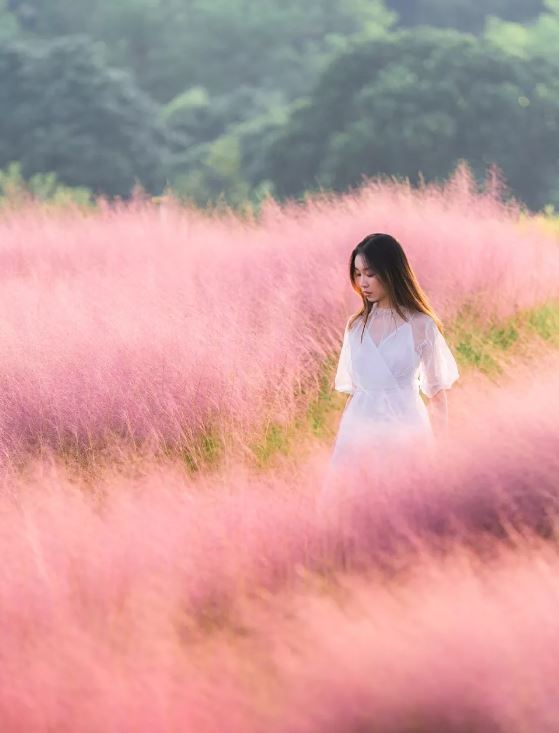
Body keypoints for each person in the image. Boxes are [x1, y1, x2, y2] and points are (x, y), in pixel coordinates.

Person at [327, 232, 460, 480]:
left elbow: (438, 395)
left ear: (391, 272)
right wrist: (342, 442)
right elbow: (356, 392)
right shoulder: (355, 327)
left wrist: (440, 450)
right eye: (357, 274)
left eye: (370, 273)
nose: (362, 283)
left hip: (406, 431)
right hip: (358, 433)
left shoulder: (421, 325)